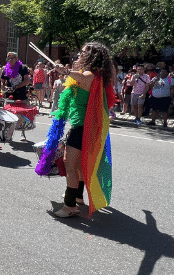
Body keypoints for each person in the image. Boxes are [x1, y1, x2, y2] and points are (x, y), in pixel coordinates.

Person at [38, 42, 116, 217]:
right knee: (79, 166)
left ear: (90, 56)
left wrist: (62, 69)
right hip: (86, 128)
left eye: (81, 53)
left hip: (81, 127)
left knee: (70, 166)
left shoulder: (88, 75)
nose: (78, 56)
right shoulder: (100, 76)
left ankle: (69, 206)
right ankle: (78, 197)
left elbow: (72, 74)